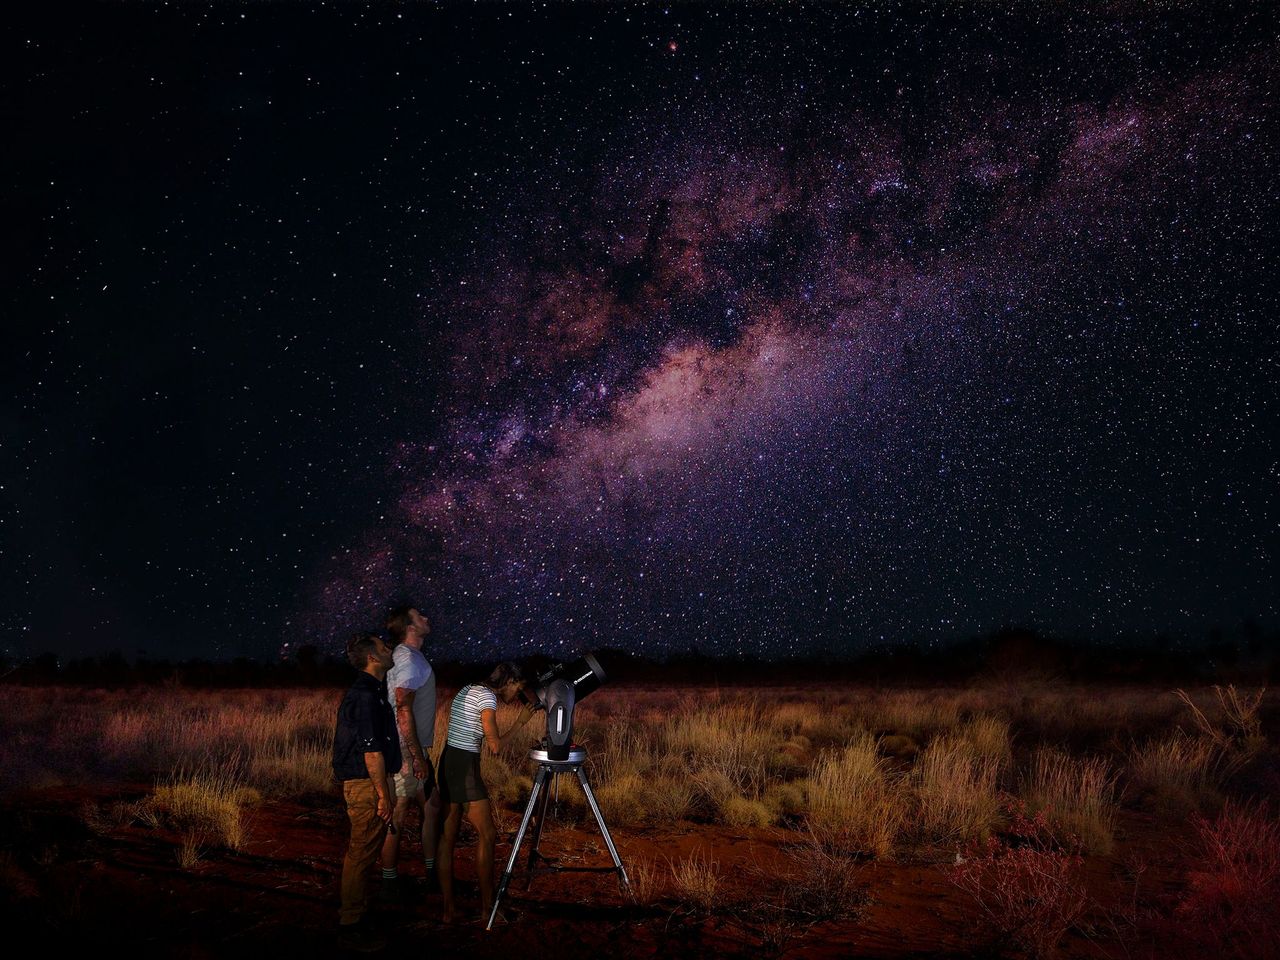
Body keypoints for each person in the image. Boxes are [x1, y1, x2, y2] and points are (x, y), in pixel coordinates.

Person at [437, 661, 537, 924]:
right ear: (510, 681)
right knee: (488, 834)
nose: (517, 695)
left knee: (447, 839)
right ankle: (488, 909)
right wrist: (520, 722)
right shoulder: (487, 697)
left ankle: (448, 911)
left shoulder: (466, 690)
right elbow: (495, 746)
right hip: (465, 768)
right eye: (518, 688)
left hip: (448, 762)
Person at [332, 632, 401, 952]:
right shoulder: (364, 695)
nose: (390, 650)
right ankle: (351, 924)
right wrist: (383, 794)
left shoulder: (373, 691)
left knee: (366, 849)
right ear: (372, 657)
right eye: (385, 648)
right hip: (364, 782)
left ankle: (356, 912)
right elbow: (370, 750)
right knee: (360, 851)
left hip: (371, 780)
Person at [379, 603, 442, 900]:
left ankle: (431, 874)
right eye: (421, 615)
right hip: (406, 749)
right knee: (400, 812)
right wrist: (416, 757)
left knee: (431, 806)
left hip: (408, 746)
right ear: (410, 627)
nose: (427, 617)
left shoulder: (406, 657)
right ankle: (389, 883)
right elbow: (402, 704)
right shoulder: (408, 658)